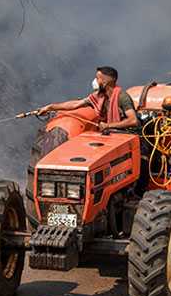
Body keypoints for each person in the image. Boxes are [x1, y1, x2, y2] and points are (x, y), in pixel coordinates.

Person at [37, 66, 150, 198]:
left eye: (97, 78)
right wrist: (50, 107)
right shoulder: (100, 97)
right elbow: (75, 104)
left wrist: (108, 125)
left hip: (130, 136)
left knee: (142, 161)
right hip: (111, 135)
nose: (95, 81)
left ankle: (139, 194)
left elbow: (133, 121)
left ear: (104, 83)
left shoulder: (122, 97)